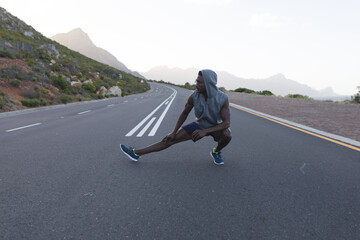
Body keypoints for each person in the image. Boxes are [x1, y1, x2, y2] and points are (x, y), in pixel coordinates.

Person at [120, 69, 232, 165]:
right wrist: (173, 132)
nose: (195, 84)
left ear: (208, 84)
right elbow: (184, 113)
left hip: (216, 127)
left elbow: (226, 123)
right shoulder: (194, 97)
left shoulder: (223, 98)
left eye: (199, 82)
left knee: (227, 135)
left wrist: (206, 131)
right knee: (169, 140)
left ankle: (216, 152)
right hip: (200, 125)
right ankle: (135, 153)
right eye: (196, 81)